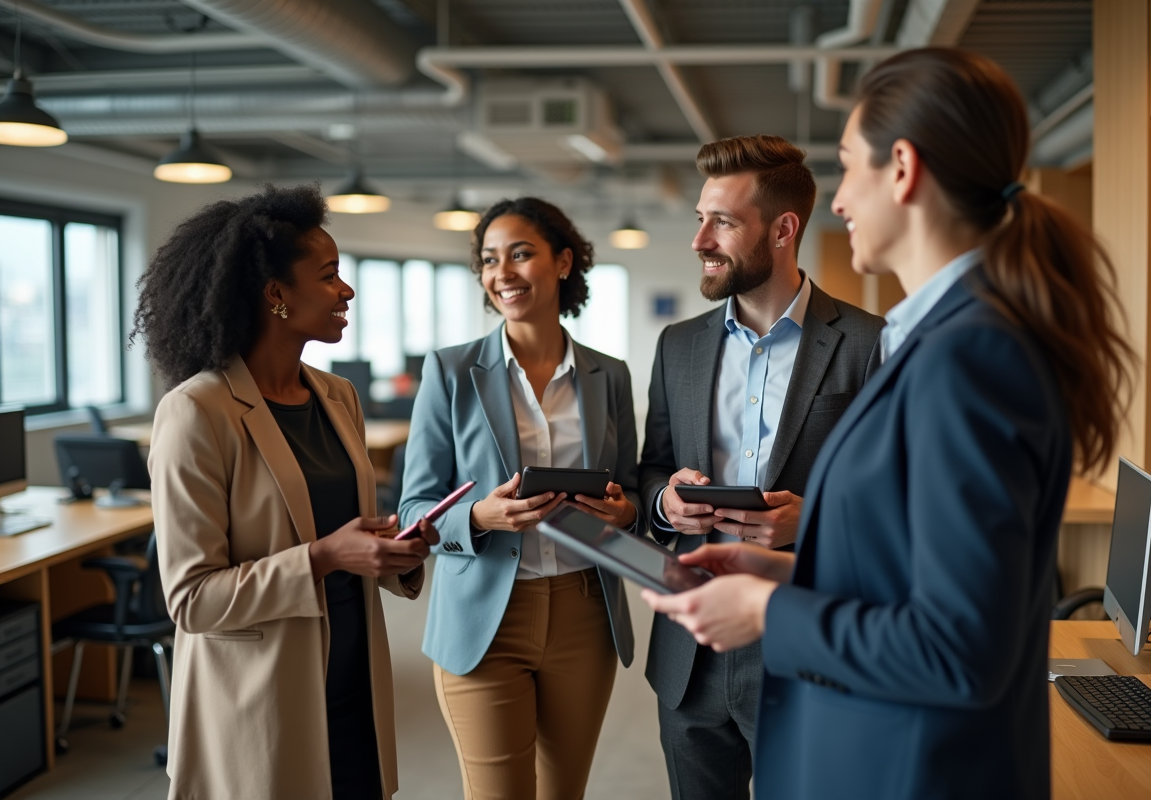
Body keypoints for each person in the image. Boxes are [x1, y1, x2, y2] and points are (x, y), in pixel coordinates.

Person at [643, 48, 1136, 800]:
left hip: (911, 766)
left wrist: (771, 607)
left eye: (849, 168)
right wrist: (789, 571)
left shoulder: (971, 357)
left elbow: (959, 648)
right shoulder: (944, 339)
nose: (837, 204)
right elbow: (913, 571)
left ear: (901, 168)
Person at [135, 184, 438, 800]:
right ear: (276, 294)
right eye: (328, 276)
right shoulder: (197, 411)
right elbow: (192, 599)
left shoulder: (336, 396)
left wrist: (394, 550)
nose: (346, 291)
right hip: (262, 697)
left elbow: (344, 533)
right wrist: (326, 557)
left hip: (356, 680)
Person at [637, 134, 884, 800]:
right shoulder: (678, 345)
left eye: (722, 221)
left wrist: (817, 521)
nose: (700, 240)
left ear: (783, 229)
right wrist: (666, 501)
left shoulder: (869, 345)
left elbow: (897, 506)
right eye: (699, 218)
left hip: (804, 642)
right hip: (690, 652)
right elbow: (650, 468)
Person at [400, 197, 640, 800]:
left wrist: (626, 510)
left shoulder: (609, 376)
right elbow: (413, 510)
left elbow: (632, 488)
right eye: (488, 260)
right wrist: (478, 516)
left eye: (520, 254)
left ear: (562, 263)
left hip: (586, 611)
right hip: (484, 614)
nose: (501, 272)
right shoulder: (451, 372)